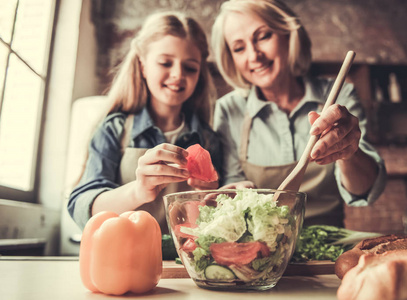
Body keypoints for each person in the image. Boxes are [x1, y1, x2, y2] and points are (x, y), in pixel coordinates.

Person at [211, 0, 386, 226]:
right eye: (239, 48)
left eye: (263, 36)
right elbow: (233, 184)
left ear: (288, 35)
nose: (254, 55)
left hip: (328, 244)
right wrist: (238, 194)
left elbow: (365, 190)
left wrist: (348, 154)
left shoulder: (339, 94)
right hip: (263, 247)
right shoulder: (229, 109)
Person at [68, 11, 221, 233]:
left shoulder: (208, 138)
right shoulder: (115, 129)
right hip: (123, 259)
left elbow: (217, 224)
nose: (178, 74)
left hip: (183, 263)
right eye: (165, 62)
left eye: (190, 67)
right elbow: (81, 208)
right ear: (142, 66)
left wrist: (213, 193)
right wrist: (138, 191)